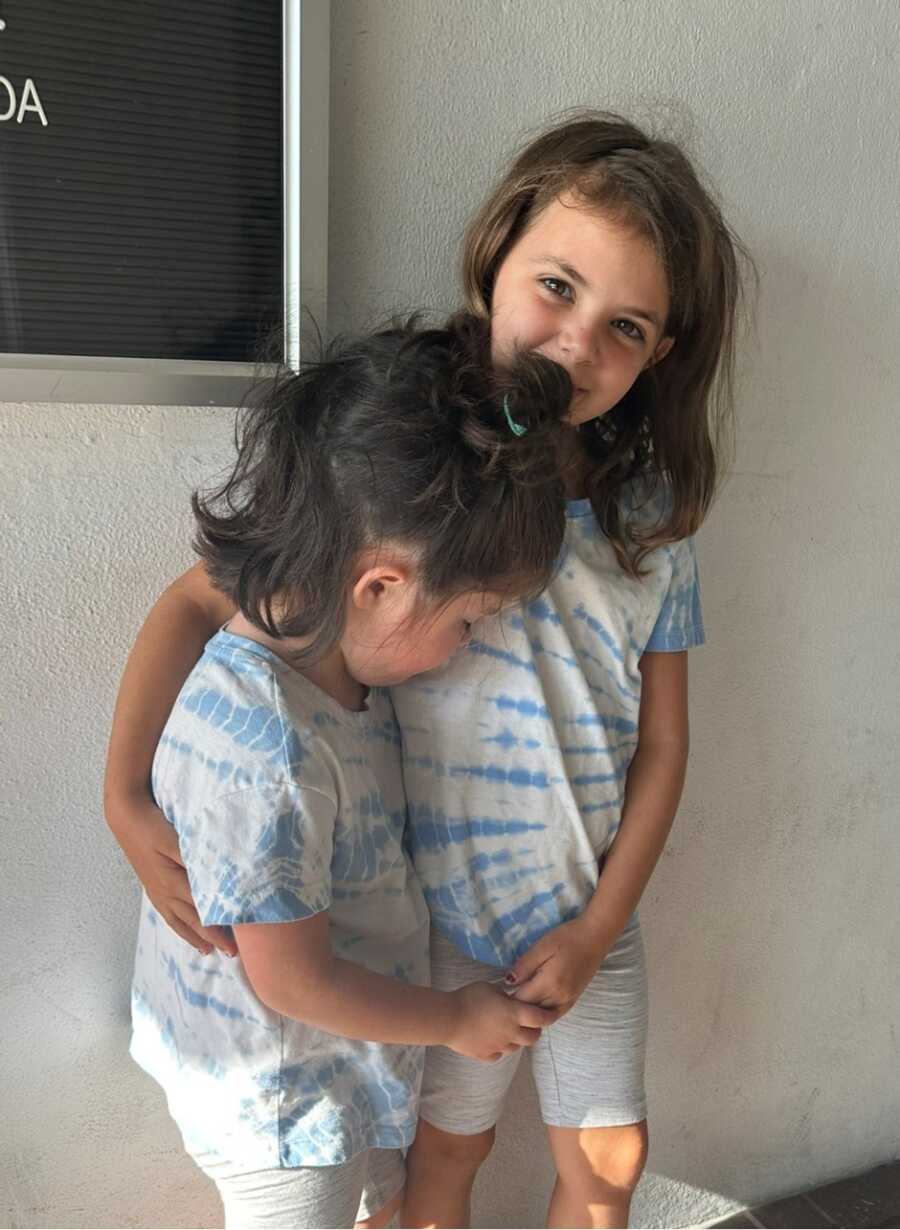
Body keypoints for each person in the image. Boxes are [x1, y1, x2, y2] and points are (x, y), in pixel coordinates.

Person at [106, 111, 751, 1229]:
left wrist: (598, 928)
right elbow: (204, 594)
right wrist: (122, 797)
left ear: (662, 354)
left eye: (628, 326)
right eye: (556, 286)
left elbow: (665, 744)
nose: (577, 343)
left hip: (587, 918)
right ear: (497, 256)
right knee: (437, 1161)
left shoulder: (650, 522)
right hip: (430, 923)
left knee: (609, 1157)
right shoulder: (407, 445)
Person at [127, 314, 568, 1230]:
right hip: (284, 1109)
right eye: (468, 620)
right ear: (381, 587)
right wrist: (454, 1021)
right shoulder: (271, 748)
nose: (466, 646)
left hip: (342, 1069)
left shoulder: (329, 673)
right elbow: (290, 981)